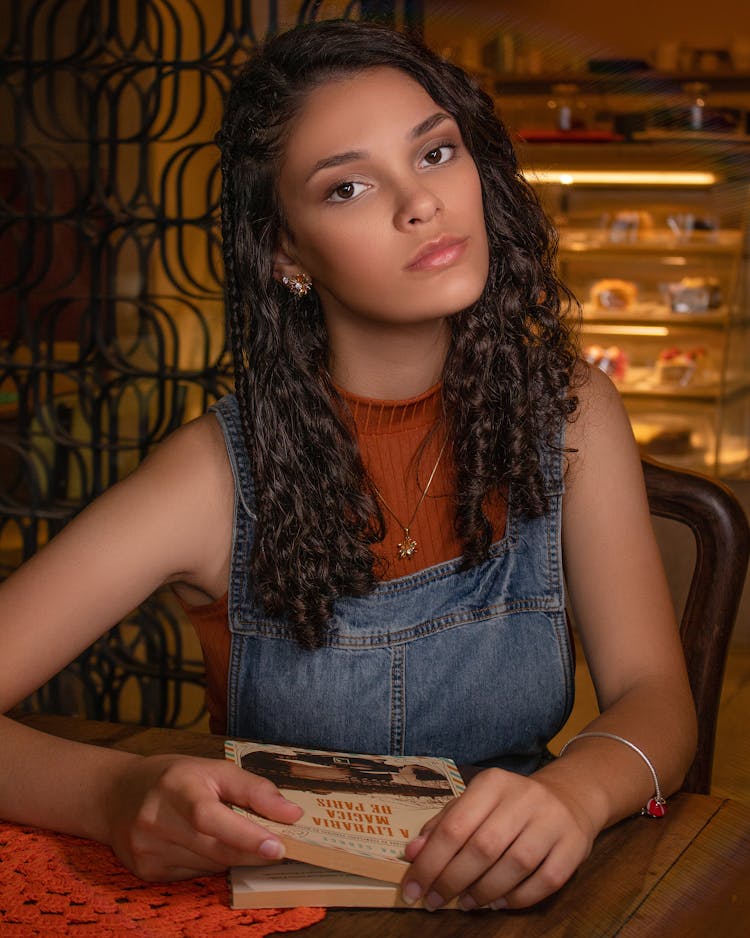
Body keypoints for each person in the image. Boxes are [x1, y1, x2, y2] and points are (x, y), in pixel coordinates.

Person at [0, 19, 696, 912]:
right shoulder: (213, 476)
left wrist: (576, 793)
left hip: (531, 903)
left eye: (436, 153)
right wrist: (114, 795)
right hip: (296, 917)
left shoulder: (568, 414)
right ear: (287, 254)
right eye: (350, 187)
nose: (420, 203)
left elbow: (655, 697)